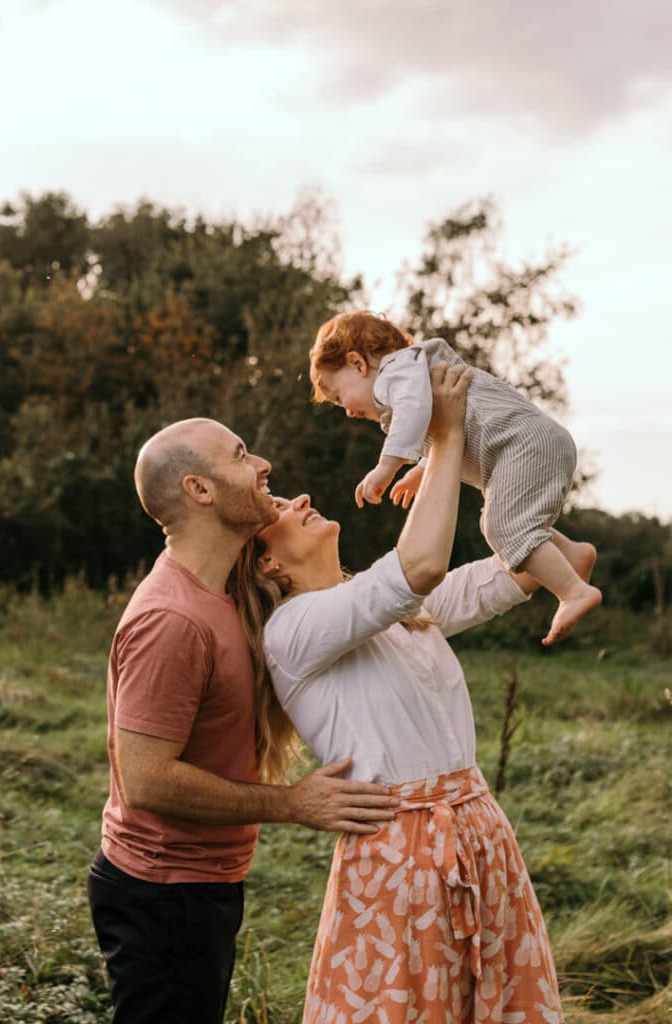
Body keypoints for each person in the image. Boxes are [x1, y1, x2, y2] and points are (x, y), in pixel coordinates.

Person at [234, 365, 568, 1023]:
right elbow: (416, 567)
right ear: (269, 565)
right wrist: (440, 439)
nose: (298, 498)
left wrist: (487, 450)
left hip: (477, 834)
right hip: (401, 855)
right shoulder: (293, 631)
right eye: (279, 511)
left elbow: (533, 563)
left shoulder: (401, 612)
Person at [87, 417, 400, 1024]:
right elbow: (146, 780)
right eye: (240, 456)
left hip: (201, 883)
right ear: (201, 491)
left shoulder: (227, 591)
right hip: (163, 890)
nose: (262, 465)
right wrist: (292, 803)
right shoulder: (172, 619)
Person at [309, 309, 601, 646]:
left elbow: (414, 411)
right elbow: (437, 425)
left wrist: (386, 467)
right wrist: (421, 470)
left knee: (500, 527)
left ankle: (574, 592)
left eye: (338, 395)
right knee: (516, 521)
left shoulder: (395, 372)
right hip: (528, 442)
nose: (346, 410)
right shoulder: (414, 374)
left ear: (358, 364)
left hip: (521, 444)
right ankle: (572, 556)